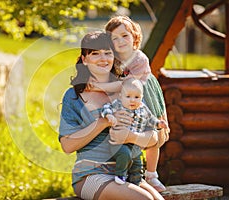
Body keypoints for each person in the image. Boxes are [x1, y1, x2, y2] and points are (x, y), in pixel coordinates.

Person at [59, 31, 164, 200]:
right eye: (95, 54)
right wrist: (102, 122)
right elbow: (67, 146)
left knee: (158, 199)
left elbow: (153, 138)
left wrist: (130, 136)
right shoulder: (74, 97)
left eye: (108, 53)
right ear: (84, 60)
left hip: (128, 174)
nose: (103, 58)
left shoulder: (127, 90)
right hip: (90, 175)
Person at [89, 15, 170, 192]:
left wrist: (100, 86)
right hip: (124, 98)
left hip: (143, 93)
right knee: (129, 133)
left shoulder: (139, 58)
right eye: (114, 38)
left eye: (125, 35)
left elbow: (125, 84)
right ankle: (132, 173)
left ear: (134, 36)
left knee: (151, 132)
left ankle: (152, 175)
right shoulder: (114, 59)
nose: (121, 41)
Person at [101, 77, 168, 185]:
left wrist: (159, 123)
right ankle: (120, 175)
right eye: (128, 96)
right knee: (125, 154)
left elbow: (150, 119)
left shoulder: (143, 108)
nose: (132, 100)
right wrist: (109, 116)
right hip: (119, 143)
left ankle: (136, 181)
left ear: (141, 98)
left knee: (137, 163)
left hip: (134, 143)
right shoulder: (118, 104)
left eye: (136, 97)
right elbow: (106, 107)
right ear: (121, 96)